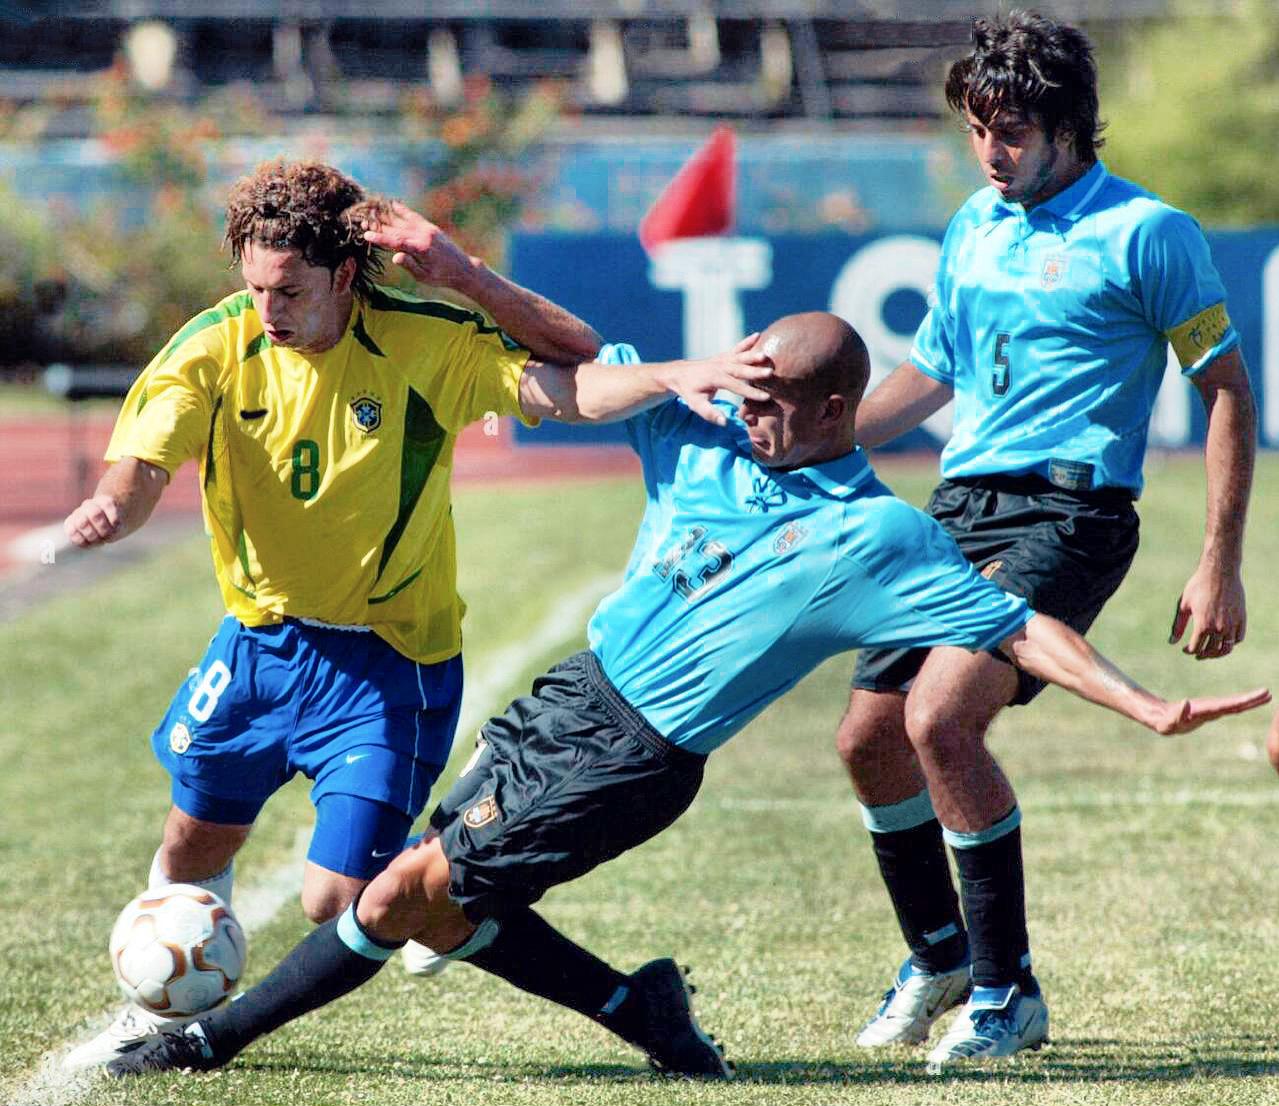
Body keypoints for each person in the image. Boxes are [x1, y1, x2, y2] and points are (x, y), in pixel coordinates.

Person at [105, 311, 1268, 1082]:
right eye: (740, 381)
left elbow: (1020, 627)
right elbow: (573, 345)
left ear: (827, 411)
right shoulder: (706, 433)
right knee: (438, 911)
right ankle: (637, 1007)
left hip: (630, 758)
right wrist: (450, 267)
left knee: (398, 889)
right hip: (566, 700)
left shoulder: (880, 537)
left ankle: (207, 1041)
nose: (740, 407)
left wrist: (1145, 705)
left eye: (767, 399)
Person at [61, 160, 771, 1069]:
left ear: (345, 276)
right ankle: (166, 1007)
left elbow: (568, 384)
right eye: (252, 285)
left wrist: (678, 374)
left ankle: (604, 985)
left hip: (388, 663)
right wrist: (114, 507)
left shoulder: (419, 337)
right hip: (257, 645)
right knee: (191, 833)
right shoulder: (213, 344)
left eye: (288, 288)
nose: (267, 308)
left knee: (347, 903)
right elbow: (144, 461)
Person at [832, 11, 1257, 1071]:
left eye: (1012, 128)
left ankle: (1003, 988)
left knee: (939, 719)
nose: (991, 150)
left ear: (1070, 124)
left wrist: (1217, 563)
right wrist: (817, 436)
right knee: (864, 738)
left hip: (1070, 515)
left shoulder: (1149, 232)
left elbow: (1225, 396)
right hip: (957, 506)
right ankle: (935, 954)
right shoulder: (971, 225)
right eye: (977, 128)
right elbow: (929, 373)